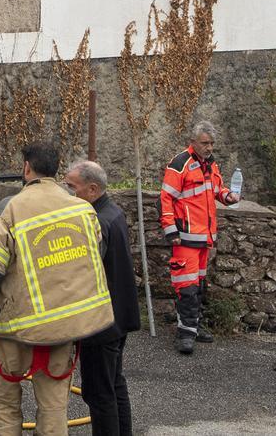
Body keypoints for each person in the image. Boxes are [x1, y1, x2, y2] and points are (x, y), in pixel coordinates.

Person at [0, 143, 114, 436]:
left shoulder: (11, 210)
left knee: (2, 411)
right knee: (54, 412)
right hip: (61, 333)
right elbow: (93, 256)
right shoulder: (83, 210)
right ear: (57, 170)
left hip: (11, 333)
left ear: (26, 168)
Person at [64, 160, 141, 436]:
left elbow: (86, 269)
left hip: (101, 323)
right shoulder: (113, 212)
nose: (67, 192)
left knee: (99, 394)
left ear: (93, 189)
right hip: (118, 317)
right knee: (114, 384)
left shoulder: (96, 222)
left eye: (72, 187)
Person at [160, 121, 239, 355]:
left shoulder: (210, 165)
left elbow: (216, 191)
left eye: (212, 143)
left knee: (199, 286)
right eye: (205, 143)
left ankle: (194, 326)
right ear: (193, 142)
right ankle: (185, 334)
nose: (209, 147)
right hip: (185, 237)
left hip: (203, 238)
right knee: (187, 287)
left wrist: (228, 197)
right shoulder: (180, 163)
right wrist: (170, 231)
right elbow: (166, 199)